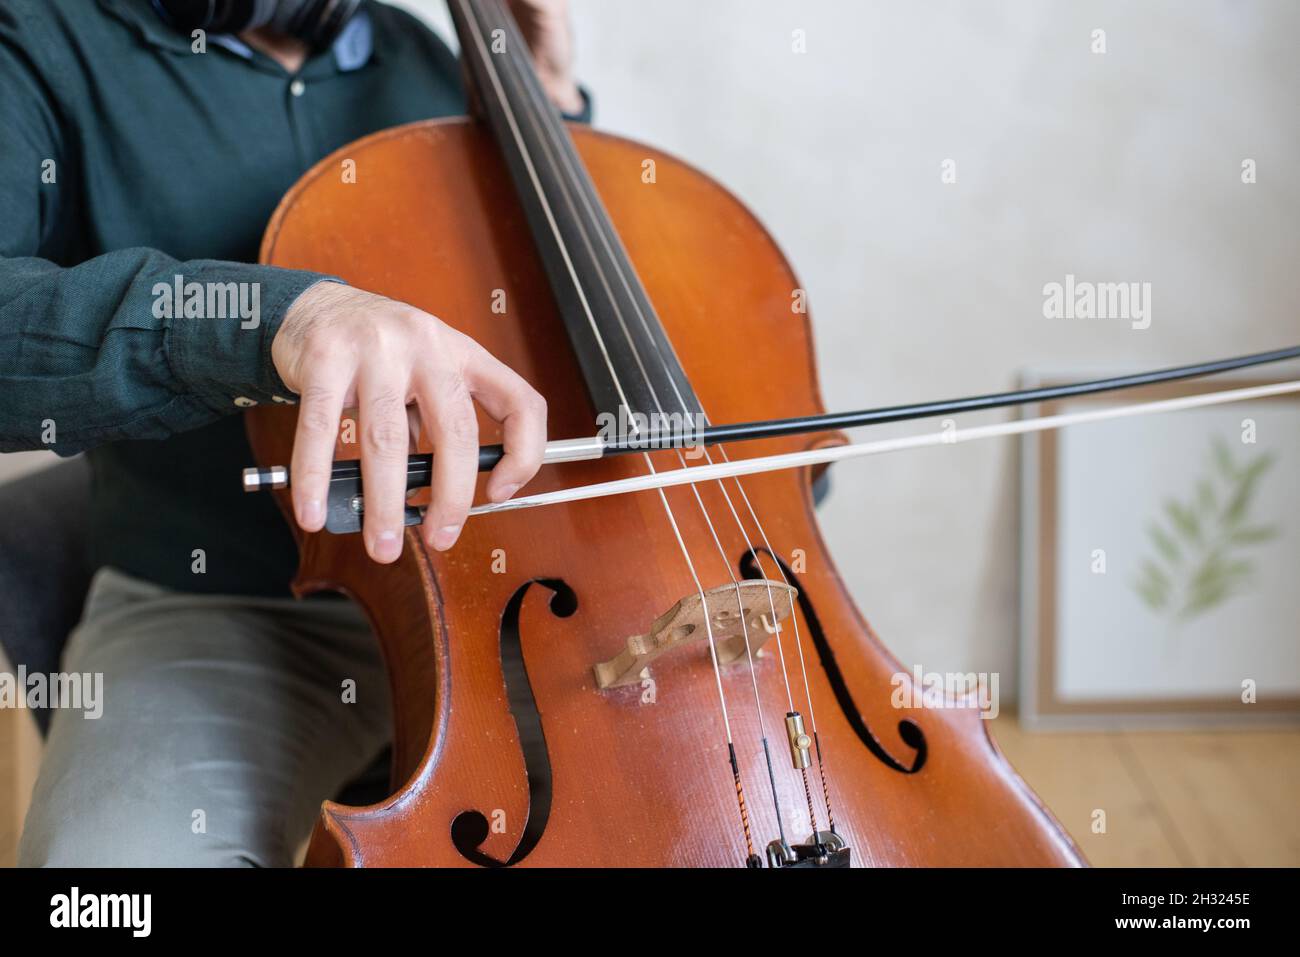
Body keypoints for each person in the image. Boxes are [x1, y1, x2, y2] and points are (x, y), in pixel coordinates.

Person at [0, 0, 583, 866]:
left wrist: (549, 109)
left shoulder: (430, 55)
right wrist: (269, 320)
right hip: (226, 603)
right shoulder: (37, 40)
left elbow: (548, 323)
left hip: (514, 594)